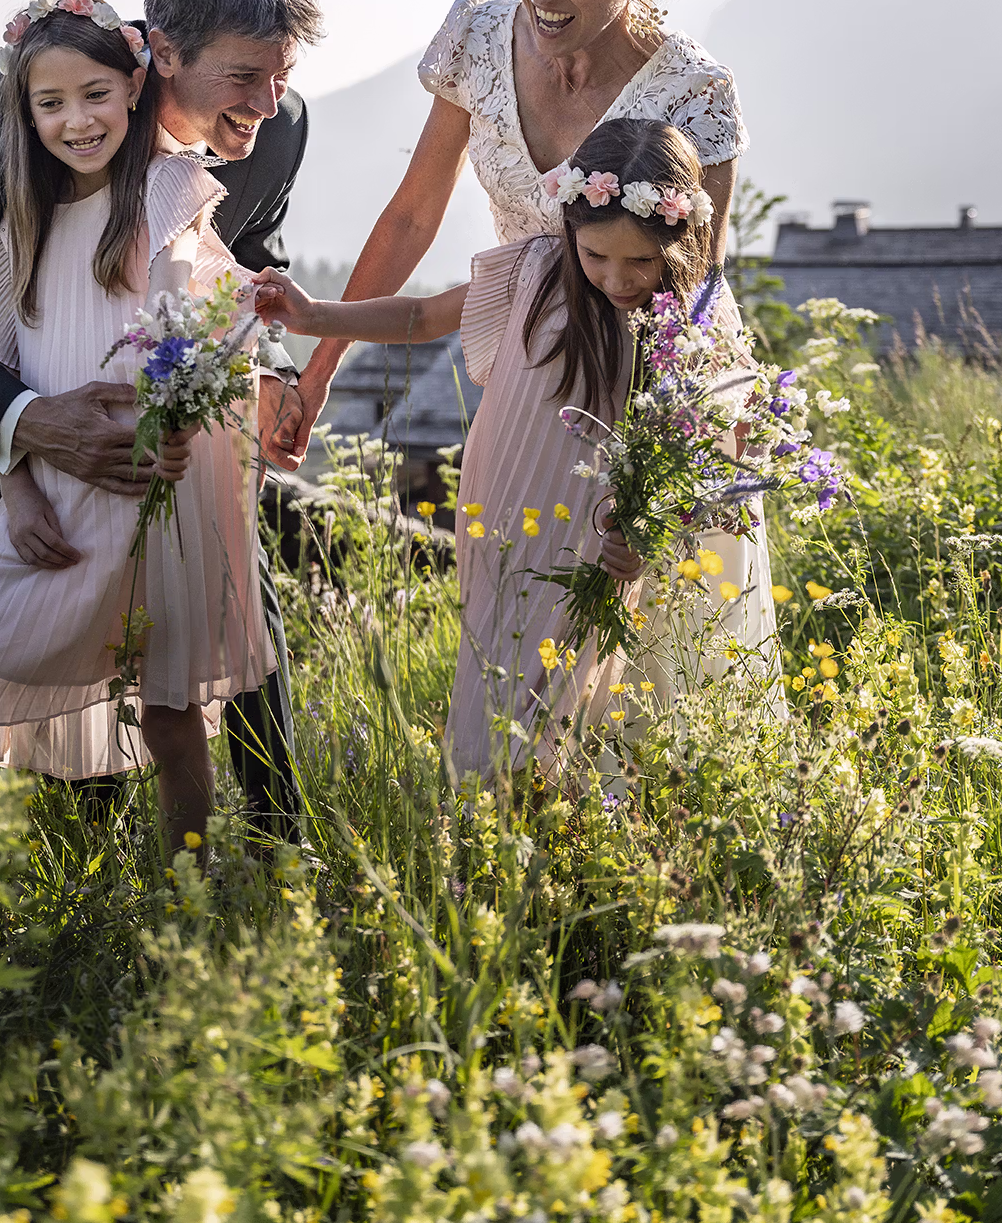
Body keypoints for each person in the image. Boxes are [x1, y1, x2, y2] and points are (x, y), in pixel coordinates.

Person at [0, 0, 322, 841]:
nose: (266, 106)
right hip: (33, 412)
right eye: (241, 79)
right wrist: (23, 440)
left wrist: (269, 372)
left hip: (189, 452)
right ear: (164, 54)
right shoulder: (25, 106)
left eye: (279, 77)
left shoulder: (280, 126)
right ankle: (79, 859)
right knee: (57, 645)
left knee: (227, 630)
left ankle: (276, 846)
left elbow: (238, 264)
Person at [247, 120, 783, 782]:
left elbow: (717, 446)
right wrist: (316, 317)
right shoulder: (534, 271)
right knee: (499, 678)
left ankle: (549, 843)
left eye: (639, 262)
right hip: (510, 512)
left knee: (588, 701)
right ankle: (491, 837)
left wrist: (648, 532)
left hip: (605, 536)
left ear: (678, 238)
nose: (615, 277)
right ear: (571, 232)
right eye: (597, 256)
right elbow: (423, 318)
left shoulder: (693, 319)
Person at [288, 0, 748, 459]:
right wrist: (317, 376)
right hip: (524, 372)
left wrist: (657, 470)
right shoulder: (477, 39)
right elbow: (412, 216)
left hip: (650, 397)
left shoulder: (694, 93)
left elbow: (698, 288)